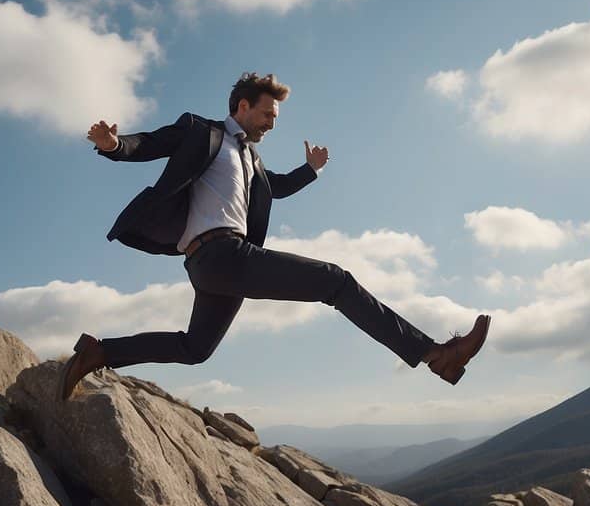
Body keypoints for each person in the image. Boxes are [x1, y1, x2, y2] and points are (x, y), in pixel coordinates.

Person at [58, 72, 488, 400]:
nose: (272, 123)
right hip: (220, 255)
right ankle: (436, 356)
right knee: (336, 281)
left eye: (276, 118)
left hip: (216, 267)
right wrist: (114, 144)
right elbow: (148, 143)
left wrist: (312, 170)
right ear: (242, 106)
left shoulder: (252, 161)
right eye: (268, 114)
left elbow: (275, 187)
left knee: (195, 348)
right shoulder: (200, 131)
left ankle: (100, 352)